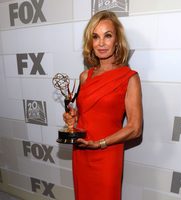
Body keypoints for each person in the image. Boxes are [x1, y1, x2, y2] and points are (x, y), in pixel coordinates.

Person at [63, 10, 143, 200]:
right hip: (82, 151)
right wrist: (72, 119)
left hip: (107, 153)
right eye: (95, 36)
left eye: (107, 36)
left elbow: (135, 128)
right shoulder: (85, 76)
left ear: (117, 40)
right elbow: (85, 114)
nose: (101, 43)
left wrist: (99, 144)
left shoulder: (129, 77)